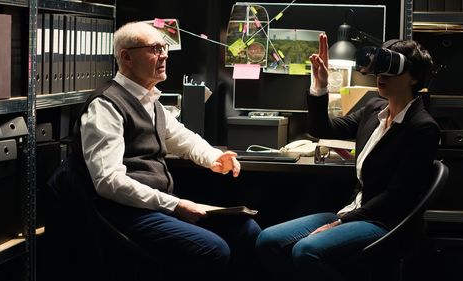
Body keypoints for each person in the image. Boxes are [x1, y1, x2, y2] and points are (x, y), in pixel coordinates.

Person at [50, 21, 261, 280]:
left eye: (164, 47)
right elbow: (108, 182)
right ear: (126, 57)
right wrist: (175, 205)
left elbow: (182, 138)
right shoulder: (105, 107)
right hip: (124, 214)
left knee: (246, 230)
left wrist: (214, 157)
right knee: (212, 249)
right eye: (154, 49)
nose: (164, 55)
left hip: (155, 207)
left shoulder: (150, 101)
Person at [255, 33, 440, 280]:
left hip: (384, 222)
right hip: (352, 212)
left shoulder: (421, 127)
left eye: (391, 67)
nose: (380, 74)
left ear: (414, 76)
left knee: (306, 251)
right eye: (379, 66)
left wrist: (341, 222)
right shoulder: (374, 109)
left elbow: (397, 196)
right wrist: (321, 85)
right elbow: (323, 130)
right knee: (267, 240)